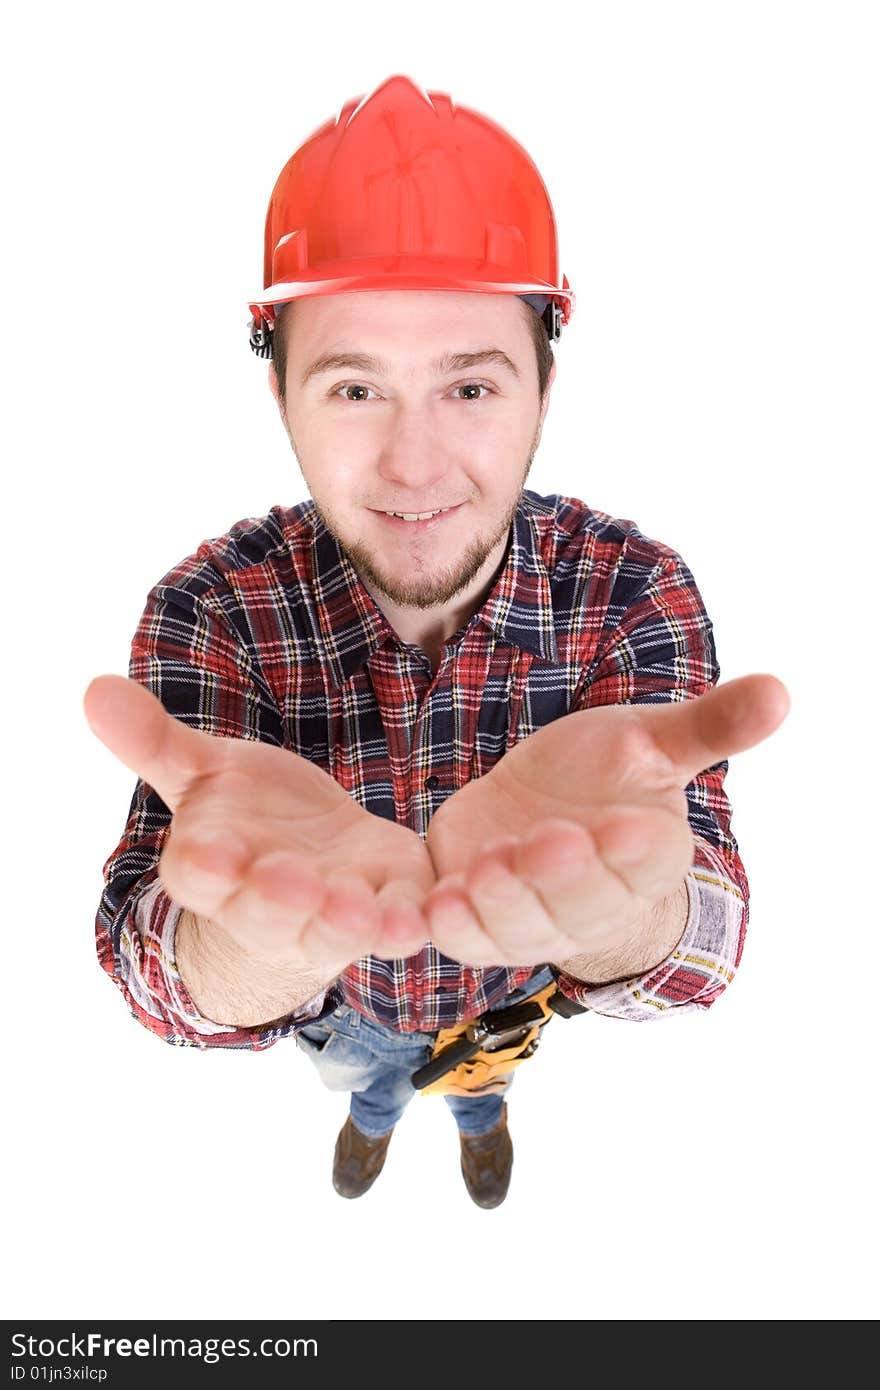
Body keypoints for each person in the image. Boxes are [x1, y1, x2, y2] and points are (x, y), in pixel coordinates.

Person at [84, 74, 790, 1209]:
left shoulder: (632, 594)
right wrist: (258, 945)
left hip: (511, 1006)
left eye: (469, 384)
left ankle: (476, 1120)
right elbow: (151, 959)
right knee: (366, 1083)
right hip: (337, 1018)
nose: (415, 466)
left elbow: (703, 937)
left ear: (545, 385)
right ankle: (370, 1127)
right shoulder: (211, 610)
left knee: (478, 1080)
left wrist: (624, 918)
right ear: (280, 398)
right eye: (356, 387)